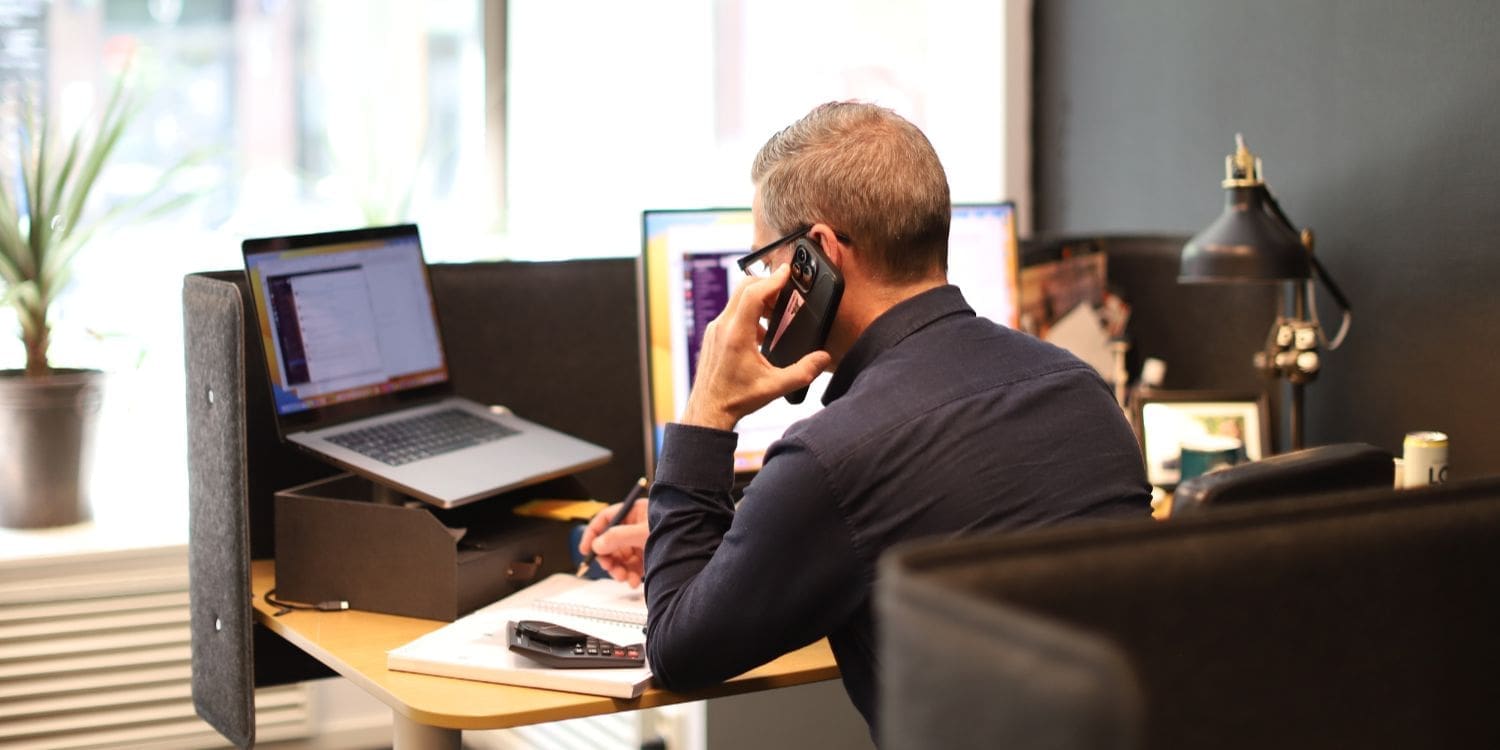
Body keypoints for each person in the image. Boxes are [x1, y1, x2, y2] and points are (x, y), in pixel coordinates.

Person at [580, 101, 1150, 736]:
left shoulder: (831, 458)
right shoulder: (1080, 389)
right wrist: (739, 538)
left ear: (816, 255)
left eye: (768, 261)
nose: (763, 290)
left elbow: (679, 650)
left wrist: (708, 410)